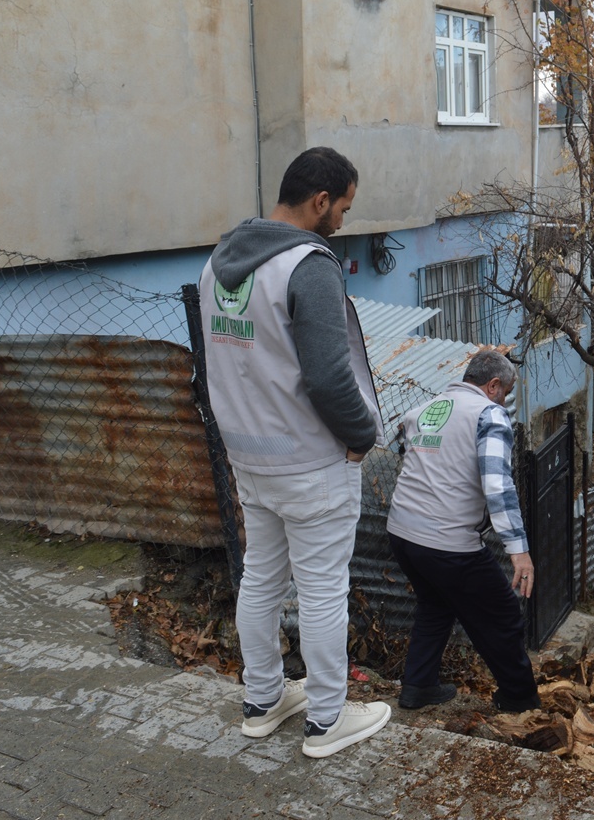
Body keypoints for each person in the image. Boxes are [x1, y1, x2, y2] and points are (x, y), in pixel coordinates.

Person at [199, 146, 392, 758]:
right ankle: (327, 721)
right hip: (310, 463)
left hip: (250, 458)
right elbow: (331, 379)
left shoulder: (218, 265)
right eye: (343, 207)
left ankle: (262, 702)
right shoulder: (308, 265)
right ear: (319, 201)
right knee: (322, 591)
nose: (342, 220)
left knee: (259, 579)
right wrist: (362, 437)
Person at [386, 350, 542, 714]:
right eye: (505, 392)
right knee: (504, 614)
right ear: (492, 386)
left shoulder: (426, 409)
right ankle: (519, 699)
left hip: (402, 533)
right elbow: (498, 483)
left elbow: (402, 448)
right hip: (447, 541)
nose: (506, 401)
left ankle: (418, 686)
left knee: (435, 604)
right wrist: (519, 551)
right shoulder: (489, 414)